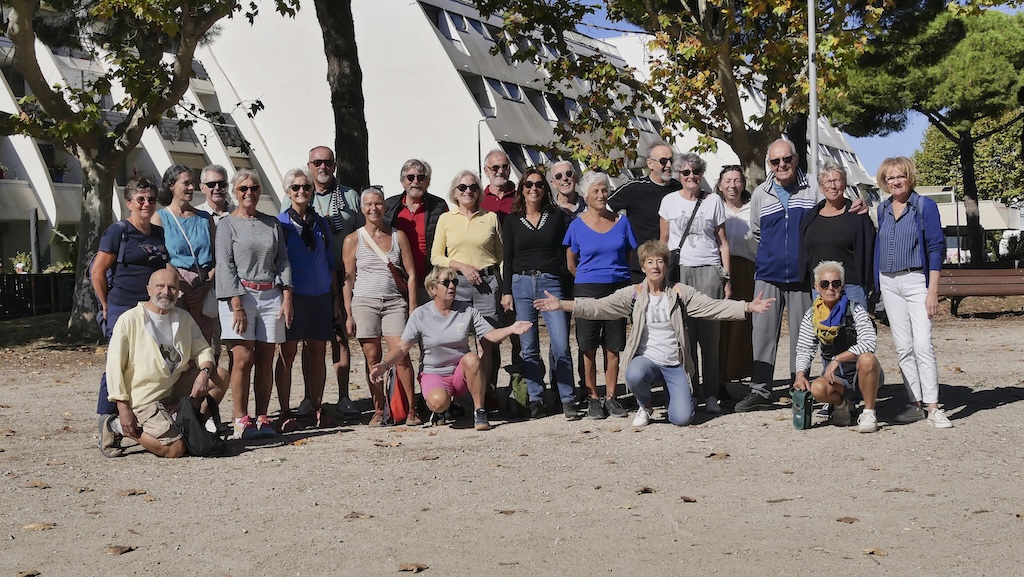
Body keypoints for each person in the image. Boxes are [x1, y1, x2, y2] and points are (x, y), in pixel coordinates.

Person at [535, 240, 774, 427]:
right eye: (649, 262)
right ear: (643, 267)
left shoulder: (680, 293)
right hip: (647, 362)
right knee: (634, 373)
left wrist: (747, 306)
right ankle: (646, 405)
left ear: (666, 266)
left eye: (660, 261)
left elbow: (712, 307)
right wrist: (563, 305)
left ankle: (675, 394)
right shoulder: (634, 294)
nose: (655, 266)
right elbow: (599, 306)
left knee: (681, 419)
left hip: (674, 364)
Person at [737, 139, 867, 412]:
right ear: (769, 164)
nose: (782, 165)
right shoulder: (761, 193)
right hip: (768, 275)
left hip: (802, 276)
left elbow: (834, 208)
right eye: (775, 161)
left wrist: (862, 207)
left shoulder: (814, 188)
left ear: (796, 159)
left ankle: (802, 387)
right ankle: (760, 390)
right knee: (761, 336)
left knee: (804, 337)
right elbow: (757, 232)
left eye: (787, 159)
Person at [368, 267, 532, 431]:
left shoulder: (467, 310)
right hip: (434, 373)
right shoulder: (420, 314)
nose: (452, 286)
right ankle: (440, 410)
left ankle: (479, 412)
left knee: (472, 358)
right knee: (439, 402)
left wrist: (512, 328)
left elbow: (492, 335)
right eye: (446, 283)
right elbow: (402, 347)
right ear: (432, 289)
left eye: (455, 282)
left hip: (460, 374)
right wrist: (384, 365)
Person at [99, 269, 228, 458]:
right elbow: (114, 367)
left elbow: (203, 349)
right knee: (175, 450)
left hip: (173, 388)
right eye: (160, 286)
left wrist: (204, 372)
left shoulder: (183, 317)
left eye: (172, 287)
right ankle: (115, 425)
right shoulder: (130, 320)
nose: (166, 292)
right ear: (149, 289)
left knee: (220, 376)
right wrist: (123, 407)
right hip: (145, 398)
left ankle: (191, 425)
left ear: (178, 291)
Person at [874, 157, 952, 428]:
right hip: (889, 282)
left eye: (900, 176)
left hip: (917, 280)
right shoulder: (882, 209)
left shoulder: (923, 206)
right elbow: (878, 248)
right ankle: (915, 403)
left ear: (909, 178)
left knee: (922, 344)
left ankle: (934, 406)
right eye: (890, 178)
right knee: (904, 346)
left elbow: (935, 248)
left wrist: (933, 291)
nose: (895, 182)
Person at [216, 169, 293, 439]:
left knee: (266, 357)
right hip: (241, 295)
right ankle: (240, 418)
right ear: (235, 192)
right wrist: (236, 303)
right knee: (243, 357)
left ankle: (262, 416)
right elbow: (225, 264)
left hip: (271, 294)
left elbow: (282, 260)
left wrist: (287, 296)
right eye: (243, 188)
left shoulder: (272, 223)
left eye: (254, 188)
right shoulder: (226, 225)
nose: (249, 193)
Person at [91, 176, 172, 418]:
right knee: (118, 364)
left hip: (151, 307)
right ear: (129, 203)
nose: (146, 204)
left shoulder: (158, 233)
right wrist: (105, 305)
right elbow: (97, 271)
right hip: (122, 306)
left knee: (152, 362)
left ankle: (148, 415)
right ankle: (108, 420)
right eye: (141, 199)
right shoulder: (118, 231)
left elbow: (163, 268)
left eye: (151, 199)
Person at [500, 168, 577, 420]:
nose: (534, 189)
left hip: (549, 283)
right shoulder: (511, 220)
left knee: (560, 343)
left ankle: (566, 397)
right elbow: (508, 258)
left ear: (546, 189)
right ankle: (535, 398)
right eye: (529, 184)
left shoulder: (556, 216)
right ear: (522, 189)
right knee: (528, 345)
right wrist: (506, 291)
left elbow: (565, 250)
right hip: (521, 283)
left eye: (539, 185)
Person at [658, 152, 731, 414]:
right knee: (683, 337)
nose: (691, 177)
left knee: (710, 339)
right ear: (678, 175)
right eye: (686, 172)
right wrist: (661, 277)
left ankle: (711, 394)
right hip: (681, 272)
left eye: (696, 172)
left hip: (709, 270)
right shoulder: (668, 202)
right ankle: (689, 392)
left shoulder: (713, 201)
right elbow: (663, 241)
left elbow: (723, 242)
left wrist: (727, 278)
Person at [565, 171, 638, 419]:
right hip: (587, 289)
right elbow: (571, 263)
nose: (601, 195)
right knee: (587, 347)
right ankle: (593, 397)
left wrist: (614, 275)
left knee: (613, 346)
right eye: (595, 191)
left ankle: (611, 396)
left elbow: (628, 256)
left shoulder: (622, 222)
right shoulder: (576, 225)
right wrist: (589, 279)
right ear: (585, 194)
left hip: (617, 289)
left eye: (604, 190)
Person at [344, 186, 419, 426]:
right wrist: (348, 313)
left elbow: (411, 273)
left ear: (384, 207)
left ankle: (411, 410)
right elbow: (348, 279)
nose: (374, 208)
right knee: (372, 357)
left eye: (378, 204)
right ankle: (379, 410)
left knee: (402, 354)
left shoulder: (398, 236)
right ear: (362, 208)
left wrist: (413, 306)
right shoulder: (353, 239)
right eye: (369, 204)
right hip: (364, 302)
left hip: (394, 302)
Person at [274, 168, 340, 431]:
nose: (301, 191)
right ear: (288, 192)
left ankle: (316, 407)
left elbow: (330, 262)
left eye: (306, 187)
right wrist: (283, 297)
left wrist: (335, 298)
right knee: (286, 355)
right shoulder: (280, 224)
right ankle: (285, 412)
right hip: (293, 296)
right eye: (296, 188)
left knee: (317, 353)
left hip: (320, 296)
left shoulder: (321, 223)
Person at [430, 170, 505, 396]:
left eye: (473, 187)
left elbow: (501, 257)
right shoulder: (446, 219)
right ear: (455, 192)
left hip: (487, 283)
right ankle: (460, 394)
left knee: (487, 342)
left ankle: (486, 392)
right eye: (462, 187)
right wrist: (461, 266)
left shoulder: (490, 217)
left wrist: (504, 289)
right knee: (457, 340)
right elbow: (435, 256)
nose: (468, 191)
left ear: (479, 192)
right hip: (458, 284)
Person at [793, 261, 883, 433]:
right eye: (824, 284)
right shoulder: (811, 315)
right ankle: (842, 405)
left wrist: (838, 359)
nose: (830, 289)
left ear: (842, 286)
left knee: (867, 358)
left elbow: (869, 342)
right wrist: (800, 375)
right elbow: (805, 349)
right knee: (817, 389)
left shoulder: (855, 310)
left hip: (861, 372)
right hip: (835, 378)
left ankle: (869, 412)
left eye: (835, 284)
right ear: (816, 287)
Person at [307, 145, 363, 420]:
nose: (322, 167)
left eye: (327, 162)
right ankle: (310, 398)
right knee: (313, 339)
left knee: (342, 336)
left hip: (345, 274)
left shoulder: (350, 197)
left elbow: (363, 233)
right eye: (317, 162)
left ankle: (343, 396)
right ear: (309, 166)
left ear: (335, 165)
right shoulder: (299, 194)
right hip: (313, 276)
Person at [153, 164, 218, 346]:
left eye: (193, 183)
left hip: (204, 287)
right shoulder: (160, 218)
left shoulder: (205, 218)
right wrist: (187, 290)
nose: (192, 187)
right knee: (176, 345)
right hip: (175, 289)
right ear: (172, 185)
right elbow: (162, 258)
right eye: (186, 183)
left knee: (203, 346)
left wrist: (204, 288)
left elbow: (216, 257)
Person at [799, 160, 875, 310]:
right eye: (827, 182)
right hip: (820, 288)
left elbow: (870, 249)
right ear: (821, 188)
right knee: (824, 331)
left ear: (844, 184)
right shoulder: (810, 218)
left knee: (855, 331)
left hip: (852, 287)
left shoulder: (857, 215)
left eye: (837, 181)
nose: (832, 186)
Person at [608, 142, 681, 282]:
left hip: (674, 266)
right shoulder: (635, 189)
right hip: (641, 267)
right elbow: (603, 210)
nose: (669, 165)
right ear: (650, 164)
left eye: (672, 160)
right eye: (663, 161)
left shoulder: (679, 189)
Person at [383, 159, 449, 306]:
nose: (415, 182)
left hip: (429, 278)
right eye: (410, 177)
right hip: (397, 281)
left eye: (421, 177)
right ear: (402, 181)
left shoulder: (439, 206)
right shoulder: (390, 206)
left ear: (428, 181)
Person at [716, 165, 756, 387]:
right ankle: (719, 377)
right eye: (728, 181)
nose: (732, 185)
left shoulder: (752, 209)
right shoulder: (714, 207)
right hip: (718, 270)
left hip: (746, 269)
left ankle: (738, 374)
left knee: (742, 323)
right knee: (720, 324)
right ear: (720, 185)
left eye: (737, 180)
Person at [480, 149, 516, 224]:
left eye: (505, 166)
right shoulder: (479, 200)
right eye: (495, 168)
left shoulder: (520, 199)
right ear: (486, 171)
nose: (501, 171)